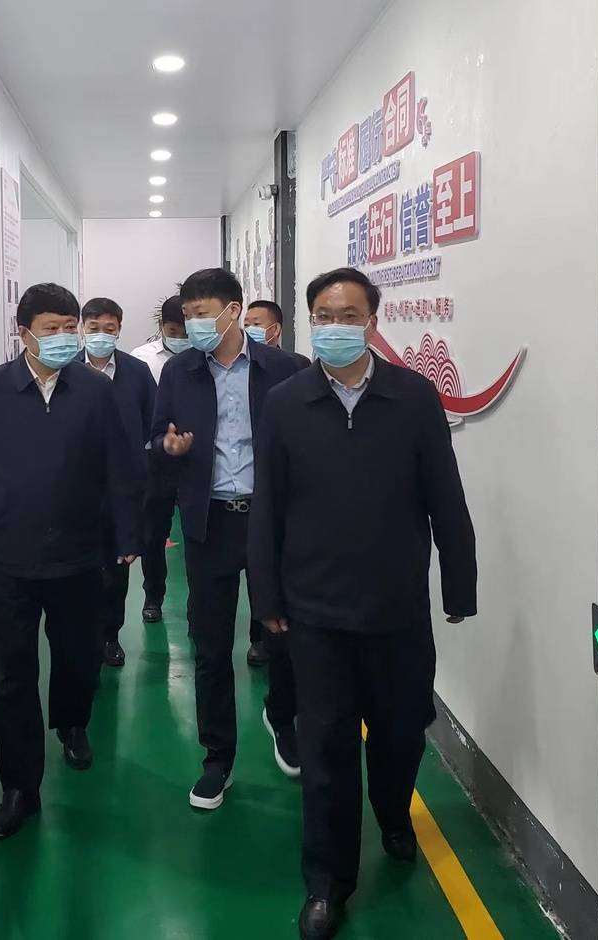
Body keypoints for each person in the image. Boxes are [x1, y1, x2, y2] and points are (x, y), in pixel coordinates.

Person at [247, 267, 477, 940]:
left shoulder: (413, 397)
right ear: (310, 322)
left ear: (373, 321)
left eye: (349, 315)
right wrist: (267, 596)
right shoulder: (286, 402)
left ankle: (394, 813)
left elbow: (445, 495)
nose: (336, 326)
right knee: (326, 750)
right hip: (314, 610)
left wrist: (458, 585)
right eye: (324, 315)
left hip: (396, 606)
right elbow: (268, 507)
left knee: (403, 729)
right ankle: (327, 881)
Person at [0, 282, 142, 841]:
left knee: (78, 656)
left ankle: (73, 724)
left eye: (69, 327)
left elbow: (120, 466)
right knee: (10, 673)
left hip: (80, 553)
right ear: (24, 333)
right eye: (51, 328)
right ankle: (19, 787)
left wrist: (127, 533)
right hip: (8, 555)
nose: (63, 337)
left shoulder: (95, 390)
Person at [151, 267, 305, 810]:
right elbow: (157, 434)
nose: (193, 324)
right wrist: (167, 447)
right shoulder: (179, 373)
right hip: (209, 523)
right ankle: (218, 758)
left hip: (271, 523)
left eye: (201, 314)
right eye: (187, 315)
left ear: (232, 311)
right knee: (211, 646)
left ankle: (282, 717)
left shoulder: (285, 369)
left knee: (284, 635)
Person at [78, 296, 156, 667]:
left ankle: (110, 635)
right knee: (80, 570)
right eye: (93, 328)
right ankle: (84, 638)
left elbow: (152, 422)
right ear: (83, 328)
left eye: (108, 329)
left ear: (119, 329)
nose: (101, 335)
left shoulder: (137, 372)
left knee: (117, 567)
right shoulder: (67, 368)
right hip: (76, 489)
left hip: (124, 489)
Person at [240, 300, 311, 665]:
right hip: (244, 486)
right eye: (246, 322)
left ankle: (271, 640)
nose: (249, 329)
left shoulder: (296, 367)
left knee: (271, 568)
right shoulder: (241, 366)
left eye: (257, 323)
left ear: (275, 329)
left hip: (282, 488)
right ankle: (258, 636)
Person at [130, 295, 191, 622]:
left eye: (185, 333)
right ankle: (153, 596)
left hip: (195, 459)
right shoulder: (141, 360)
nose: (180, 339)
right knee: (153, 534)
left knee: (200, 536)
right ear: (161, 327)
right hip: (155, 460)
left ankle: (201, 603)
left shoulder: (206, 356)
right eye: (173, 332)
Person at [243, 299, 312, 369]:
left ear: (276, 329)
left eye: (256, 324)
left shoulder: (296, 364)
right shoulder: (241, 363)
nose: (249, 329)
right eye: (246, 325)